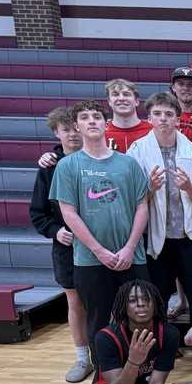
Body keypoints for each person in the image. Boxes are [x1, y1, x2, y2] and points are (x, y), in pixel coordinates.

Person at [49, 100, 150, 364]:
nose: (91, 121)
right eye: (85, 117)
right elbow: (68, 213)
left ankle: (140, 373)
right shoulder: (67, 166)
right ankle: (104, 376)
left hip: (132, 257)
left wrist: (129, 248)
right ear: (76, 126)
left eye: (96, 116)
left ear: (106, 125)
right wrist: (99, 250)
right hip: (91, 260)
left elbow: (142, 206)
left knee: (139, 319)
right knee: (98, 322)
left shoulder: (128, 163)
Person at [127, 92, 192, 331]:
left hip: (190, 237)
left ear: (177, 119)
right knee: (156, 299)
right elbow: (130, 203)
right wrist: (151, 189)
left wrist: (189, 188)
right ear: (149, 118)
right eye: (157, 114)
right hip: (155, 239)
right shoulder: (135, 153)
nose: (163, 119)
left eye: (169, 114)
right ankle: (163, 347)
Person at [30, 107, 91, 382]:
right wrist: (55, 232)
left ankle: (110, 355)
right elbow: (38, 213)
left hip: (102, 243)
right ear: (57, 133)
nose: (73, 133)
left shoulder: (100, 160)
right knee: (75, 301)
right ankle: (82, 358)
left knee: (108, 301)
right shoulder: (48, 167)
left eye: (75, 127)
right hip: (67, 248)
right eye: (66, 129)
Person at [103, 79, 152, 153]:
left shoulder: (152, 132)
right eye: (115, 94)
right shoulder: (101, 133)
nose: (121, 98)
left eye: (126, 94)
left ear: (137, 101)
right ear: (109, 101)